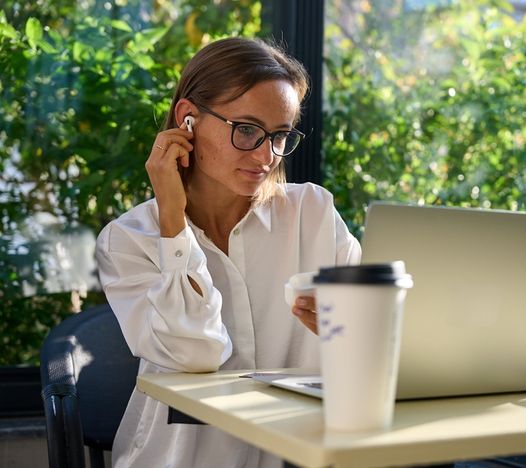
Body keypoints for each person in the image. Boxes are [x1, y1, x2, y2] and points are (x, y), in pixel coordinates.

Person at [96, 37, 361, 468]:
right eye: (248, 130)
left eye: (279, 136)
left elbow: (375, 338)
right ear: (188, 121)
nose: (266, 155)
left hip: (297, 456)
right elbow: (195, 354)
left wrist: (354, 326)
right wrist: (173, 222)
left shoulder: (312, 213)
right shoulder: (128, 240)